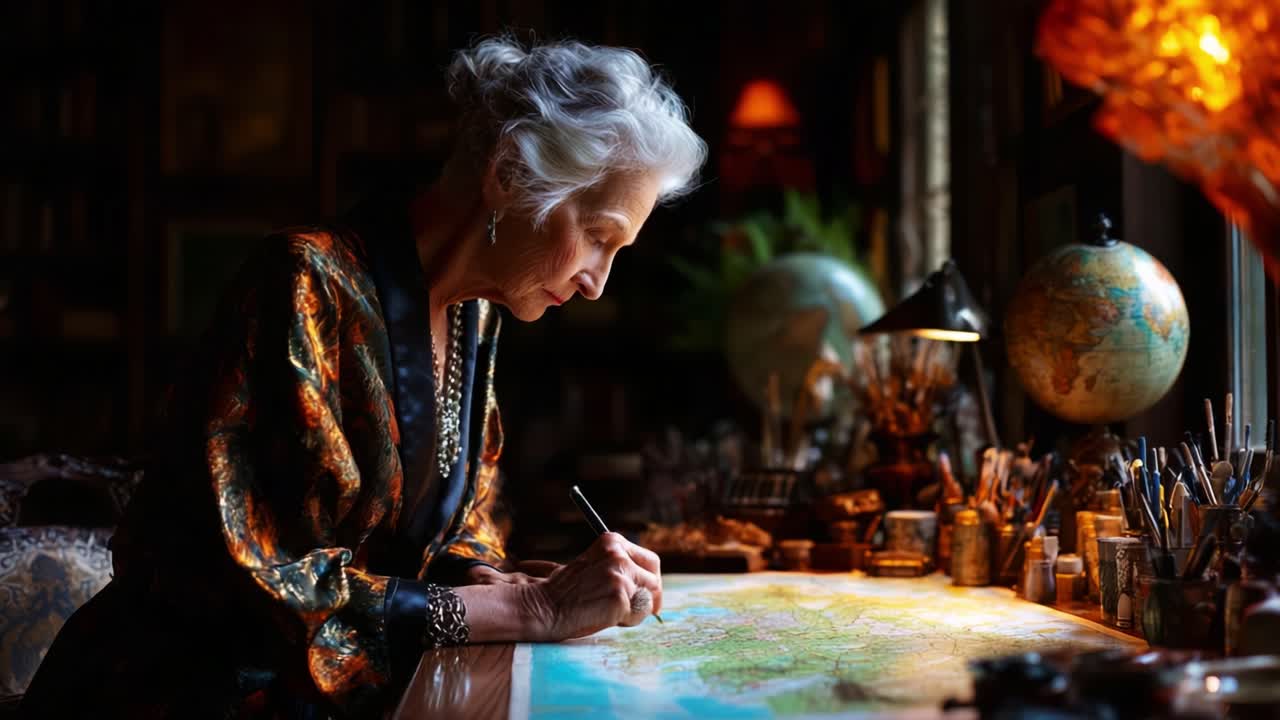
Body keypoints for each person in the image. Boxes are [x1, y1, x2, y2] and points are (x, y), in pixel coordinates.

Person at [22, 36, 707, 718]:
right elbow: (260, 585)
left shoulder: (477, 314)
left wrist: (487, 577)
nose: (596, 285)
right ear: (507, 176)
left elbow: (452, 528)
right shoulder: (304, 284)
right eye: (597, 235)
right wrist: (526, 606)